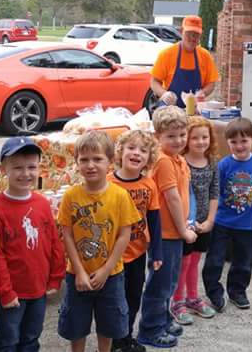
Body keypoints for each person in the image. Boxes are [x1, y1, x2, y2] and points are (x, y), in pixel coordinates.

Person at [57, 131, 141, 352]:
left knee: (109, 324)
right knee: (76, 325)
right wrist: (80, 271)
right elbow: (66, 234)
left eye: (97, 159)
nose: (90, 165)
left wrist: (106, 269)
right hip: (77, 274)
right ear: (76, 163)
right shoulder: (71, 196)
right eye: (84, 160)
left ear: (110, 162)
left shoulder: (120, 196)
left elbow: (125, 235)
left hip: (111, 275)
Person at [0, 137, 65, 352]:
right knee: (7, 340)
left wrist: (55, 278)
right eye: (17, 167)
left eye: (31, 167)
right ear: (3, 169)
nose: (25, 173)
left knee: (31, 337)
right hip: (13, 293)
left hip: (38, 288)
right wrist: (5, 291)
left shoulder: (41, 203)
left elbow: (53, 242)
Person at [138, 106, 198, 349]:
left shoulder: (179, 159)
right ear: (157, 137)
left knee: (170, 282)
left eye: (182, 134)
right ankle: (150, 329)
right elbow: (172, 197)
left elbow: (185, 194)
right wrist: (184, 230)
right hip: (165, 233)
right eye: (170, 136)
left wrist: (188, 221)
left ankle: (162, 320)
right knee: (160, 283)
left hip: (175, 231)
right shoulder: (163, 161)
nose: (178, 140)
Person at [202, 118, 252, 312]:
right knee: (214, 260)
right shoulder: (223, 165)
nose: (239, 146)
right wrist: (210, 217)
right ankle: (214, 292)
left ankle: (237, 291)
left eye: (244, 141)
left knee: (243, 262)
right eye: (233, 142)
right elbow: (214, 193)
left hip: (246, 224)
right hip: (222, 223)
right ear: (227, 142)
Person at [109, 130, 163, 352]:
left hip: (138, 252)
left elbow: (155, 220)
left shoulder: (149, 184)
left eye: (143, 150)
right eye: (131, 148)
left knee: (133, 298)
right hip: (112, 256)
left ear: (149, 158)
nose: (136, 153)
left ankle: (126, 337)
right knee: (114, 302)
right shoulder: (108, 182)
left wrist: (157, 253)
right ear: (120, 152)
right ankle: (112, 340)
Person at [170, 116, 219, 325]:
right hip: (185, 224)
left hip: (204, 224)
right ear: (187, 140)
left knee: (195, 262)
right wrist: (185, 223)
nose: (201, 142)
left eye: (205, 137)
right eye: (195, 137)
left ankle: (193, 297)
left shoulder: (212, 163)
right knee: (183, 262)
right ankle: (177, 301)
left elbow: (214, 192)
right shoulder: (181, 163)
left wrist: (210, 221)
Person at [150, 15, 220, 108]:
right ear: (181, 31)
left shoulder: (205, 56)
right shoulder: (167, 54)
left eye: (196, 34)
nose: (192, 38)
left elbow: (211, 83)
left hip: (195, 110)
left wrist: (203, 93)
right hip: (170, 110)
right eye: (189, 33)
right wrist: (164, 94)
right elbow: (154, 81)